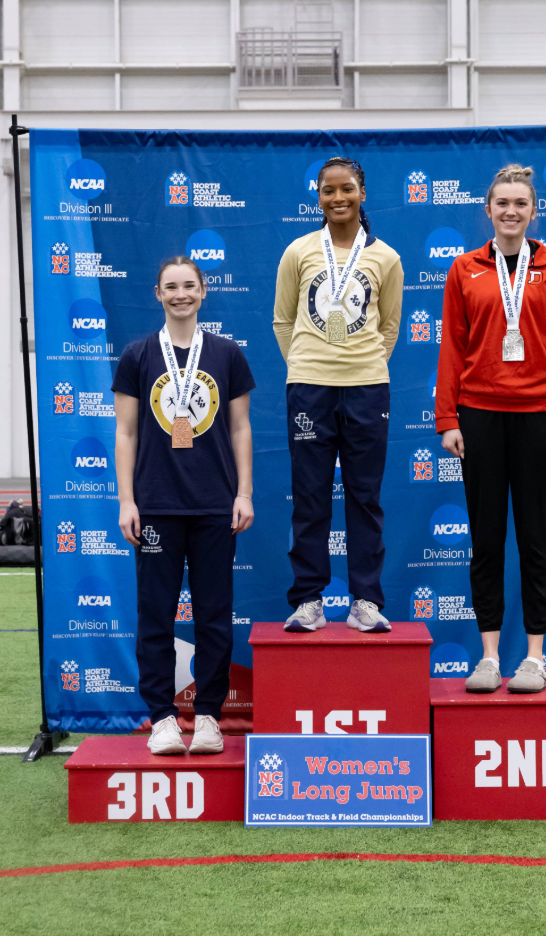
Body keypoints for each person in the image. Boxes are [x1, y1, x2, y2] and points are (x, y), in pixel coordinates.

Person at [437, 164, 546, 694]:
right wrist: (448, 418)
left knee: (537, 542)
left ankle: (536, 658)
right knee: (487, 541)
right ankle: (490, 657)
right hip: (479, 416)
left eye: (521, 203)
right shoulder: (465, 269)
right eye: (502, 203)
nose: (511, 211)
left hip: (540, 419)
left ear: (533, 210)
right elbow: (452, 347)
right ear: (488, 210)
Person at [114, 257, 254, 755]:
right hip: (155, 506)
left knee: (214, 616)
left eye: (188, 286)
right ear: (157, 294)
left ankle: (211, 717)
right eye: (170, 287)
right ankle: (162, 719)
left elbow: (240, 428)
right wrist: (127, 500)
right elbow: (126, 432)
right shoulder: (137, 355)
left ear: (204, 291)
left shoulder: (227, 354)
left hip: (215, 504)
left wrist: (243, 493)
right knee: (155, 616)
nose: (180, 294)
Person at [272, 156, 403, 635]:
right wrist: (308, 363)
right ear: (319, 197)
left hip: (367, 386)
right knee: (310, 496)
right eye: (329, 190)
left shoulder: (385, 257)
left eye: (347, 189)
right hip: (309, 387)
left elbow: (388, 325)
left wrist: (361, 364)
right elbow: (284, 320)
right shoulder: (299, 251)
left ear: (362, 193)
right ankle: (309, 599)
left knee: (364, 497)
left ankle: (365, 600)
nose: (338, 198)